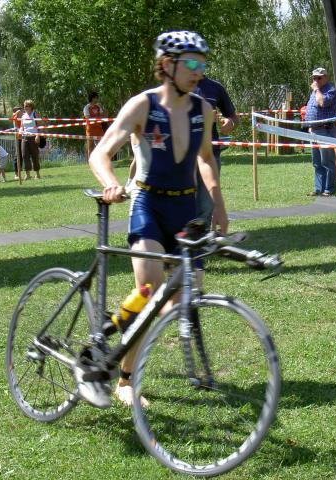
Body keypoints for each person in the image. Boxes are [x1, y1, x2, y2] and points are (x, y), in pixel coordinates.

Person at [85, 30, 228, 409]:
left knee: (182, 297)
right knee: (149, 290)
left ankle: (116, 330)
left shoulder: (202, 110)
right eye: (191, 63)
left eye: (202, 64)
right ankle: (125, 380)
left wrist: (218, 203)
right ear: (167, 64)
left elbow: (206, 158)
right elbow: (100, 154)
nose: (198, 71)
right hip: (147, 204)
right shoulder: (142, 105)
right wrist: (111, 183)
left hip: (185, 210)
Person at [193, 75, 238, 227]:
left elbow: (233, 117)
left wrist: (230, 122)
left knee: (206, 208)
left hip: (210, 154)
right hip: (184, 157)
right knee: (184, 206)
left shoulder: (215, 87)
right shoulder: (177, 88)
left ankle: (202, 236)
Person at [305, 67, 336, 197]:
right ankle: (319, 189)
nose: (316, 80)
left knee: (327, 162)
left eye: (319, 78)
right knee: (317, 163)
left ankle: (329, 190)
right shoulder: (316, 91)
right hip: (314, 130)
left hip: (326, 130)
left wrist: (316, 89)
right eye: (314, 78)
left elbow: (322, 103)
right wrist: (310, 126)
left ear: (326, 77)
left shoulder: (331, 90)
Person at [19, 99, 43, 180]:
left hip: (34, 137)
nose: (25, 107)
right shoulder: (23, 116)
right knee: (24, 155)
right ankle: (27, 174)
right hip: (25, 137)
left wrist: (37, 135)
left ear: (31, 106)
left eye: (27, 106)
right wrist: (20, 131)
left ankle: (37, 174)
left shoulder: (35, 114)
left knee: (34, 155)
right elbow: (22, 127)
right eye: (24, 106)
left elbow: (39, 126)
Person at [83, 92, 107, 159]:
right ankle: (90, 162)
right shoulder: (86, 107)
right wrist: (98, 117)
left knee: (102, 144)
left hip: (99, 128)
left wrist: (102, 108)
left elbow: (104, 116)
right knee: (90, 146)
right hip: (90, 129)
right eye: (96, 97)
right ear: (93, 98)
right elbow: (88, 118)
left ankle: (101, 160)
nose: (97, 99)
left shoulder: (98, 106)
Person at [10, 106, 24, 179]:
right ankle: (16, 174)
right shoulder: (14, 116)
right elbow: (14, 118)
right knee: (17, 156)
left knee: (23, 156)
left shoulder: (22, 117)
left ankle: (20, 173)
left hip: (24, 137)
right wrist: (17, 112)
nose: (22, 112)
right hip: (18, 138)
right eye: (21, 111)